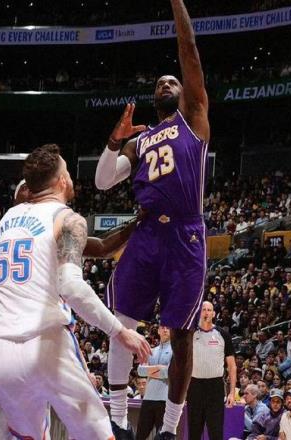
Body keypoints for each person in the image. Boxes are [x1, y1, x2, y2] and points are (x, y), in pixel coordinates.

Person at [0, 144, 151, 439]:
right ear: (61, 181)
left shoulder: (7, 220)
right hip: (44, 343)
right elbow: (71, 286)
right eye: (68, 172)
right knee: (98, 435)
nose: (71, 178)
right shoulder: (68, 219)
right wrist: (120, 331)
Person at [94, 0, 210, 438]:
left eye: (171, 80)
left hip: (185, 234)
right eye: (159, 82)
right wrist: (115, 139)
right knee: (121, 322)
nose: (165, 83)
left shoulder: (193, 118)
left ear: (184, 91)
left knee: (181, 335)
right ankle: (118, 420)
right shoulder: (141, 140)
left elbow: (189, 50)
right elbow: (104, 181)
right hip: (146, 233)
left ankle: (169, 430)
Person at [187, 302, 237, 440]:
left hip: (215, 387)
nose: (206, 312)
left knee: (216, 432)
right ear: (199, 313)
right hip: (195, 386)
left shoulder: (223, 334)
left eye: (209, 310)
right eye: (203, 310)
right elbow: (183, 363)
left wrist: (232, 392)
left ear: (214, 314)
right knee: (194, 432)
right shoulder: (190, 334)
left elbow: (232, 366)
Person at [136, 325, 173, 440]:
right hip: (148, 398)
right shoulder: (151, 351)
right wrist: (159, 368)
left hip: (164, 400)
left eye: (168, 328)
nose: (165, 330)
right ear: (158, 331)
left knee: (161, 437)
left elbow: (168, 372)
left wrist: (150, 370)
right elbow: (140, 370)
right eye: (163, 327)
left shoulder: (175, 351)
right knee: (139, 436)